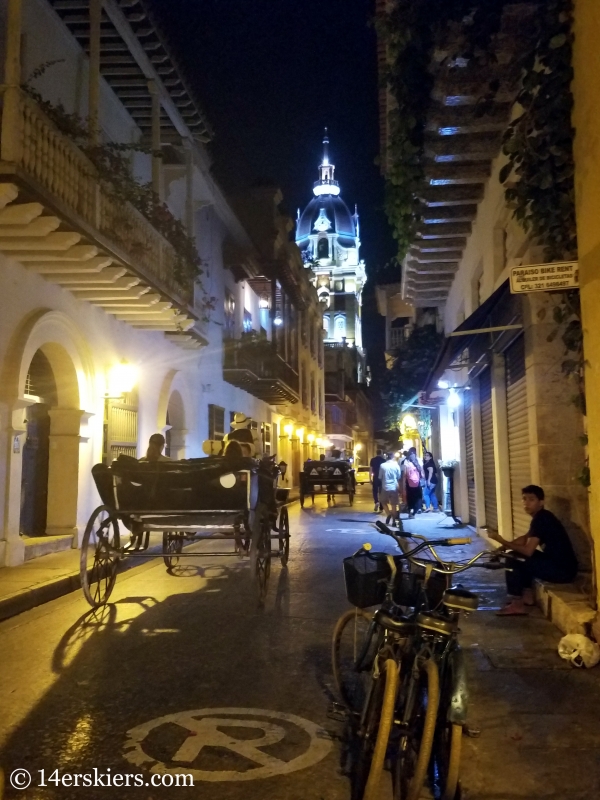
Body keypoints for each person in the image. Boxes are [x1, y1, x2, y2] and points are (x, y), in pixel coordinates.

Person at [488, 485, 578, 616]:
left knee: (513, 559)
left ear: (541, 502)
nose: (526, 503)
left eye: (531, 499)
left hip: (562, 571)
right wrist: (502, 548)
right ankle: (527, 596)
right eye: (524, 499)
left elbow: (528, 551)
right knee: (517, 555)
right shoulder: (541, 517)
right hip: (561, 567)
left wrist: (501, 540)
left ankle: (517, 603)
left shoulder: (542, 519)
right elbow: (525, 538)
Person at [378, 453, 403, 526]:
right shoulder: (396, 465)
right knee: (394, 505)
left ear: (386, 458)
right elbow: (399, 476)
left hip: (385, 487)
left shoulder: (382, 465)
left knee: (383, 501)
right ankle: (394, 521)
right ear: (393, 458)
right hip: (394, 487)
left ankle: (388, 513)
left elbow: (380, 477)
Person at [404, 452, 423, 518]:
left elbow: (405, 474)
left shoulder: (407, 464)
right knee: (417, 498)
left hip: (409, 484)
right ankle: (415, 511)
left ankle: (410, 511)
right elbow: (423, 475)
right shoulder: (419, 464)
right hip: (417, 483)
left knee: (410, 498)